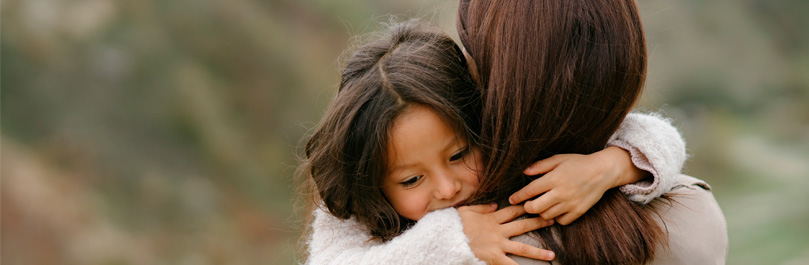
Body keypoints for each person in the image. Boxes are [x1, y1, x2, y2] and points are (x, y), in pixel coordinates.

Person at [302, 19, 693, 265]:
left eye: (458, 154)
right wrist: (452, 237)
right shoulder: (354, 211)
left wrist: (609, 166)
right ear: (371, 182)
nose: (447, 187)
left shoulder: (514, 152)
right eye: (410, 180)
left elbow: (659, 136)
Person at [456, 0, 727, 264]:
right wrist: (614, 165)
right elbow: (659, 135)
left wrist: (451, 234)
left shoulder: (476, 243)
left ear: (499, 77)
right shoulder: (695, 211)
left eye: (466, 51)